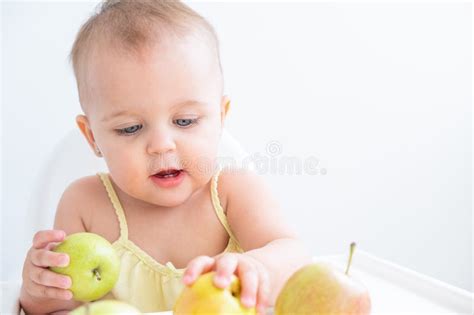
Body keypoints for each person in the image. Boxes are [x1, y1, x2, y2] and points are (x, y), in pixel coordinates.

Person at [19, 0, 311, 313]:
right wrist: (39, 290)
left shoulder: (232, 191)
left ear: (221, 117)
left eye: (184, 121)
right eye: (131, 128)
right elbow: (56, 309)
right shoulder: (85, 206)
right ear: (92, 137)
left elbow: (294, 256)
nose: (161, 145)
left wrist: (255, 267)